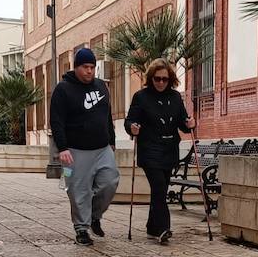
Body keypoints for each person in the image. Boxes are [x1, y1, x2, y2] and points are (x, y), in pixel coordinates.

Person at [51, 47, 120, 246]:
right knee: (78, 191)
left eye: (92, 67)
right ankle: (81, 228)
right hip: (75, 150)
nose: (89, 71)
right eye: (85, 67)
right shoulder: (63, 89)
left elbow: (107, 115)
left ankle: (94, 216)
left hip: (102, 147)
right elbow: (56, 121)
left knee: (110, 182)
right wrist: (62, 148)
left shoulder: (101, 86)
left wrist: (112, 140)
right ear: (76, 67)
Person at [124, 59, 194, 244]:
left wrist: (189, 124)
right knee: (159, 187)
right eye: (157, 79)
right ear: (151, 78)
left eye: (164, 79)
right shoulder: (141, 97)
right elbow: (129, 120)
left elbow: (183, 123)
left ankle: (151, 227)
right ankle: (163, 228)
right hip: (149, 150)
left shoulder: (175, 97)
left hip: (169, 150)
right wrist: (133, 127)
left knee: (160, 191)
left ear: (170, 79)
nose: (161, 83)